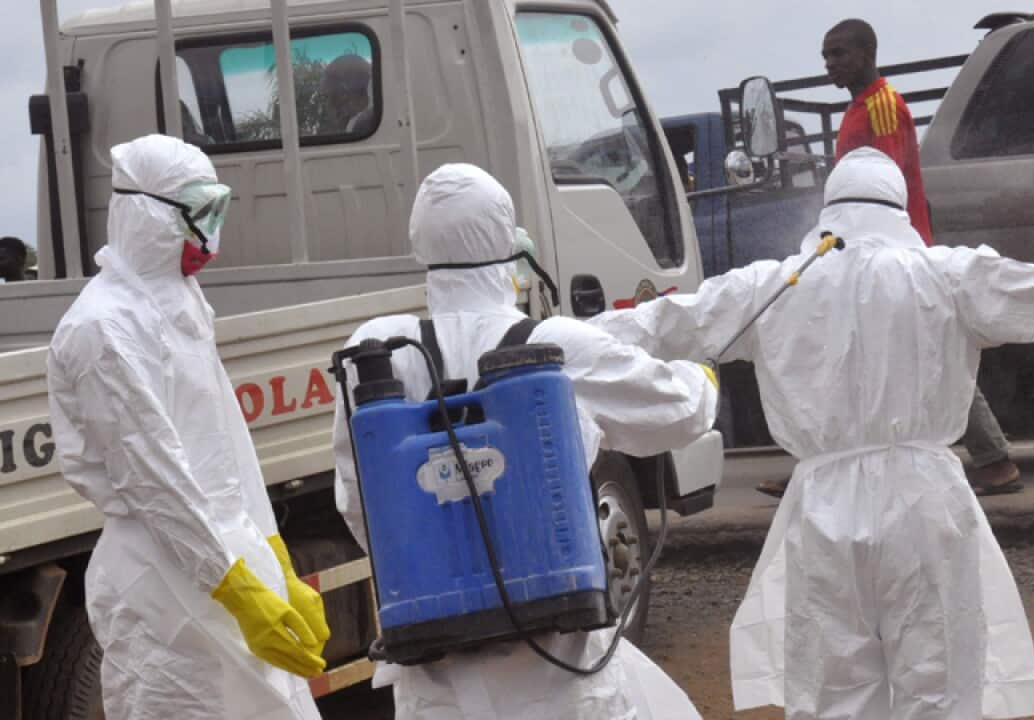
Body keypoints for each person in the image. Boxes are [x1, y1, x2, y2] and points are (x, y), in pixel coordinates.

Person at [589, 146, 1034, 719]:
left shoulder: (773, 285)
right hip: (925, 498)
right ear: (899, 210)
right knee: (939, 684)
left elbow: (661, 324)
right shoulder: (947, 275)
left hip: (822, 504)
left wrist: (531, 343)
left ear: (830, 210)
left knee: (837, 690)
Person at [331, 163, 719, 719]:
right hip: (554, 668)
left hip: (434, 680)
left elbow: (355, 500)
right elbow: (675, 412)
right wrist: (701, 383)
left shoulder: (376, 353)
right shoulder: (551, 345)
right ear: (507, 244)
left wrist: (440, 574)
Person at [47, 134, 330, 720]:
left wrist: (276, 563)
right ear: (146, 214)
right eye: (201, 215)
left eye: (218, 211)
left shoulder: (181, 304)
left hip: (227, 557)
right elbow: (155, 481)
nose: (212, 234)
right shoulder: (102, 329)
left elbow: (228, 447)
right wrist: (239, 591)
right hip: (161, 583)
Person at [760, 17, 1019, 498]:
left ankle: (995, 460)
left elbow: (885, 183)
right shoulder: (862, 108)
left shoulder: (880, 106)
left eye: (838, 53)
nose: (829, 63)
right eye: (825, 55)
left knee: (927, 352)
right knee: (881, 349)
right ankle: (816, 462)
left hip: (892, 252)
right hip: (870, 250)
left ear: (866, 53)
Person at [320, 54, 375, 135]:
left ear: (342, 94)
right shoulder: (374, 122)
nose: (327, 104)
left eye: (326, 96)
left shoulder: (360, 127)